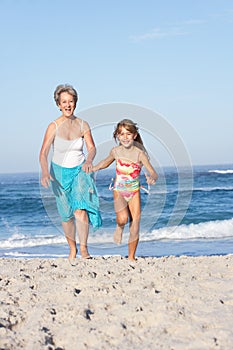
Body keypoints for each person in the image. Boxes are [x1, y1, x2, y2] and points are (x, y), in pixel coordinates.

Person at [39, 84, 101, 263]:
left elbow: (92, 148)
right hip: (58, 173)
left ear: (75, 103)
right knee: (66, 215)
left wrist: (89, 160)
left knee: (80, 209)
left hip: (80, 169)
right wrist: (44, 171)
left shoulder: (83, 124)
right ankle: (72, 248)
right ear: (58, 104)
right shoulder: (53, 126)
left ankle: (84, 249)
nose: (68, 105)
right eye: (64, 102)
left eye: (71, 101)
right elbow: (43, 153)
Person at [92, 119, 158, 261]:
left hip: (134, 191)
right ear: (117, 136)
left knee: (135, 223)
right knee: (123, 218)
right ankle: (119, 227)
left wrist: (152, 177)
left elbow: (153, 172)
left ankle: (131, 256)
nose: (125, 137)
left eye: (128, 134)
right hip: (119, 190)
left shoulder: (140, 154)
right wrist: (95, 167)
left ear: (134, 135)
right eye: (121, 134)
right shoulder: (115, 151)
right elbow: (105, 162)